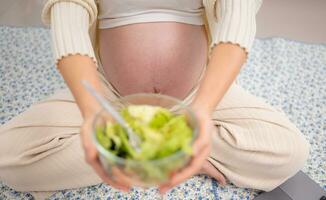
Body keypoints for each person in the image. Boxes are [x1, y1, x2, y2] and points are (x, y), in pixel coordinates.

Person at [0, 0, 309, 199]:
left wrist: (201, 111)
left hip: (198, 96)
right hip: (107, 97)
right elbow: (68, 14)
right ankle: (172, 153)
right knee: (8, 158)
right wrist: (93, 112)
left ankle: (146, 151)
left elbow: (237, 14)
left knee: (291, 151)